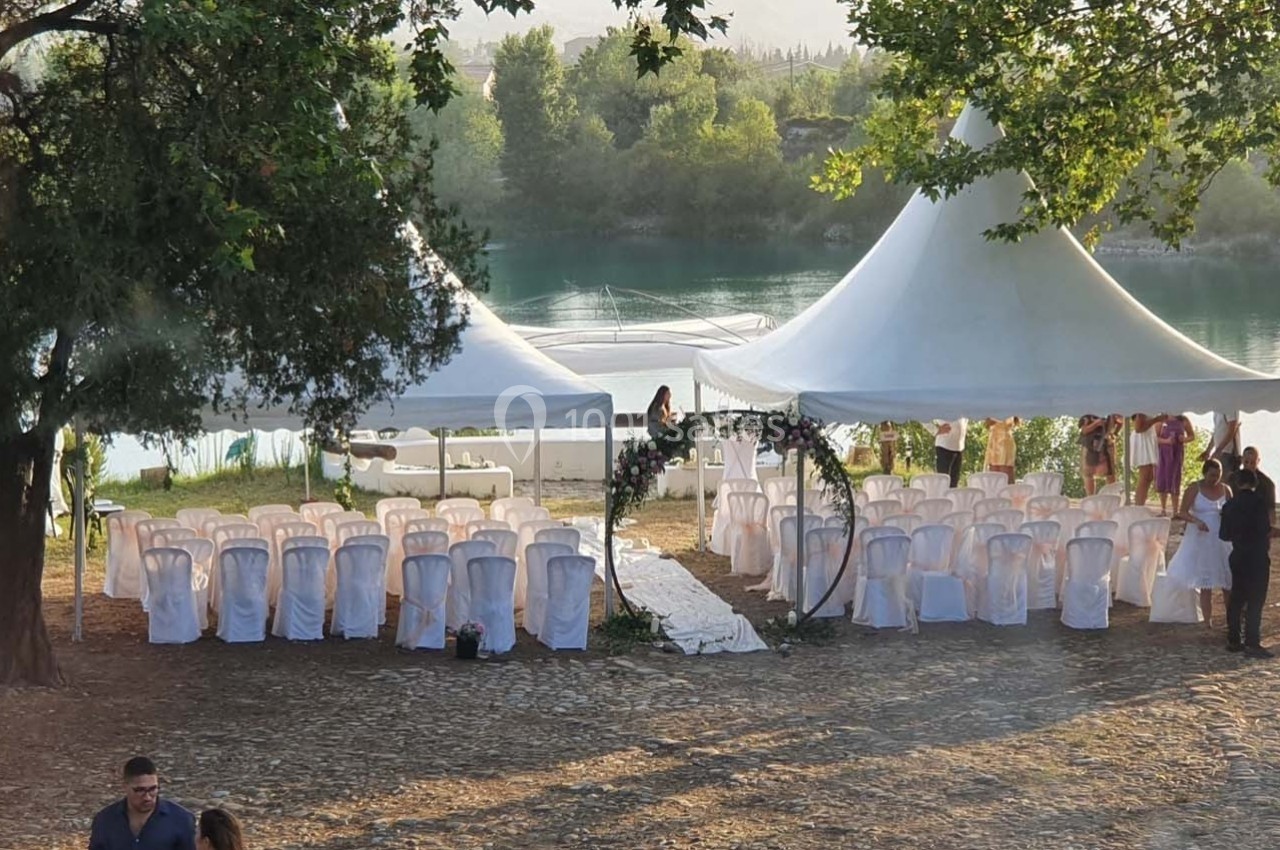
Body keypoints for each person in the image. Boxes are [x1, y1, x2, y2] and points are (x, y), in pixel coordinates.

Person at [1166, 459, 1233, 628]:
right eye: (1211, 475)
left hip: (1221, 538)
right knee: (1206, 582)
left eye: (1217, 475)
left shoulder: (1226, 489)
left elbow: (1233, 510)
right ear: (1205, 473)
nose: (1214, 479)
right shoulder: (1194, 488)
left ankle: (1232, 619)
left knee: (1227, 580)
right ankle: (1207, 621)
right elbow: (1182, 512)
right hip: (1201, 538)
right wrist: (1196, 521)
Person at [1219, 468, 1278, 657]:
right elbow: (1264, 528)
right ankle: (1252, 641)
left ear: (1237, 484)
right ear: (1255, 484)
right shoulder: (1259, 503)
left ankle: (1233, 639)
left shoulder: (1229, 506)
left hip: (1238, 554)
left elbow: (1224, 535)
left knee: (1236, 598)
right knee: (1256, 599)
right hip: (1257, 555)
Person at [89, 756, 196, 850]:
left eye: (153, 789)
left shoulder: (181, 820)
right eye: (140, 790)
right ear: (125, 787)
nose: (147, 797)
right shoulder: (104, 820)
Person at [1156, 414, 1194, 516]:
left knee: (1175, 478)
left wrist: (1184, 439)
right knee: (1162, 479)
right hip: (1163, 453)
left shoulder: (1183, 419)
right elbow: (1155, 438)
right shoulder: (1161, 419)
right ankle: (1163, 509)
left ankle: (1175, 511)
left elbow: (1192, 436)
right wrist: (1166, 441)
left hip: (1177, 453)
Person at [1232, 447, 1276, 526]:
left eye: (1252, 463)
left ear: (1258, 461)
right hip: (1237, 524)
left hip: (1258, 525)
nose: (1249, 465)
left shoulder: (1267, 483)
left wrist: (1271, 528)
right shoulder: (1232, 479)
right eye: (1246, 462)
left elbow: (1271, 509)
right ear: (1242, 459)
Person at [1079, 414, 1121, 495]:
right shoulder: (1088, 413)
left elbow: (1121, 422)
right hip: (1090, 445)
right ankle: (1091, 499)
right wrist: (1096, 424)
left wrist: (1114, 433)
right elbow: (1084, 430)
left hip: (1107, 445)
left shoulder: (1112, 411)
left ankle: (1112, 497)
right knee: (1088, 473)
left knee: (1110, 473)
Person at [1129, 413, 1165, 506]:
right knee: (1144, 477)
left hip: (1148, 437)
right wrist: (1157, 419)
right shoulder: (1142, 409)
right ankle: (1138, 507)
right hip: (1142, 439)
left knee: (1149, 476)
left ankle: (1140, 505)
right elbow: (1138, 428)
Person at [925, 418, 967, 488]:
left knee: (954, 486)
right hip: (944, 447)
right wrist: (935, 430)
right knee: (943, 484)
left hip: (959, 448)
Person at [1201, 410, 1243, 475]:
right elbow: (1216, 431)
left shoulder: (1229, 407)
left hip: (1228, 453)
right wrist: (1208, 450)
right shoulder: (1217, 410)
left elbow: (1232, 429)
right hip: (1220, 452)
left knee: (1225, 479)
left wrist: (1218, 450)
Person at [983, 417, 1019, 484]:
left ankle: (1010, 493)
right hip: (993, 442)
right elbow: (987, 424)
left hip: (1005, 441)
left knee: (1006, 474)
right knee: (994, 477)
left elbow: (1017, 422)